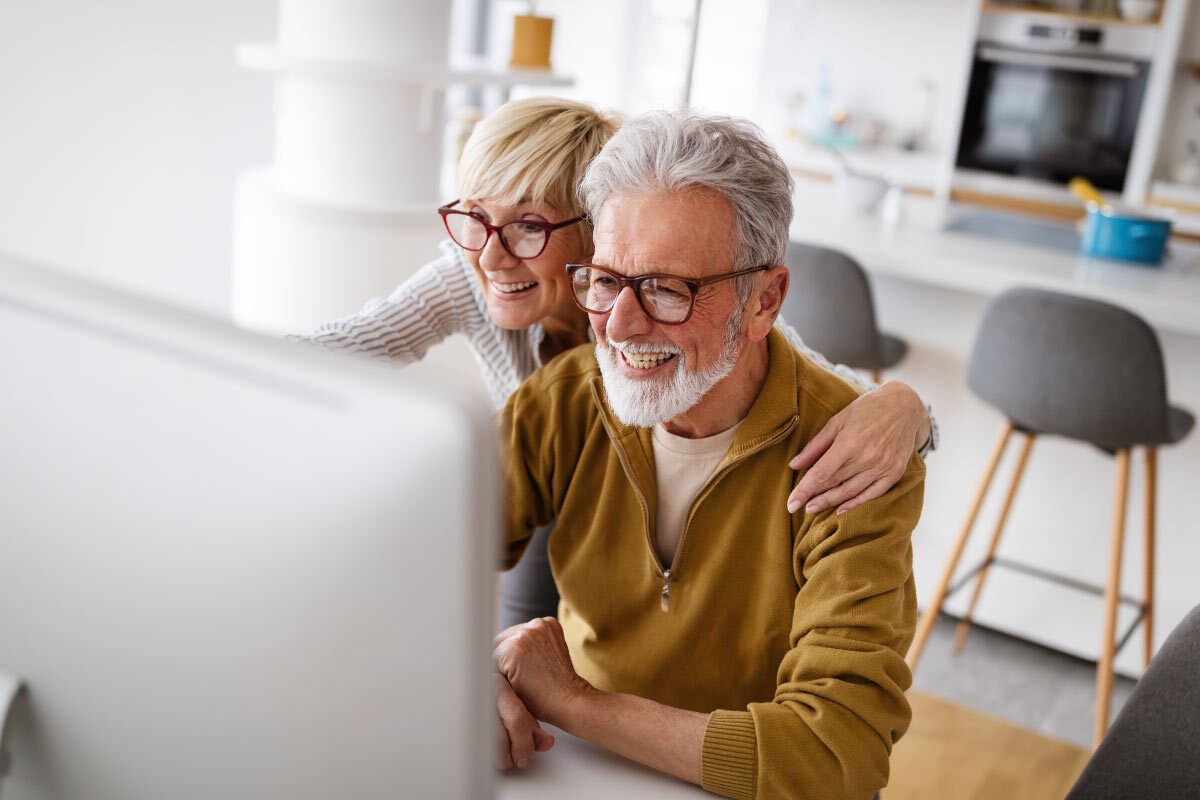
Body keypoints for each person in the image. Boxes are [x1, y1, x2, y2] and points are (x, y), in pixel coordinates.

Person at [297, 96, 936, 630]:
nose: (492, 257)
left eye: (528, 226)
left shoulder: (716, 324)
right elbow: (351, 343)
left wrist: (908, 408)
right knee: (521, 637)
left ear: (592, 230)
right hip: (548, 486)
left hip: (631, 498)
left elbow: (829, 393)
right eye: (476, 220)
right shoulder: (478, 288)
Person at [492, 110, 924, 800]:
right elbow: (406, 561)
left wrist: (573, 702)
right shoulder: (567, 400)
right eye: (606, 281)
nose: (621, 326)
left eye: (667, 289)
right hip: (576, 774)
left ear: (765, 301)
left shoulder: (856, 460)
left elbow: (838, 756)